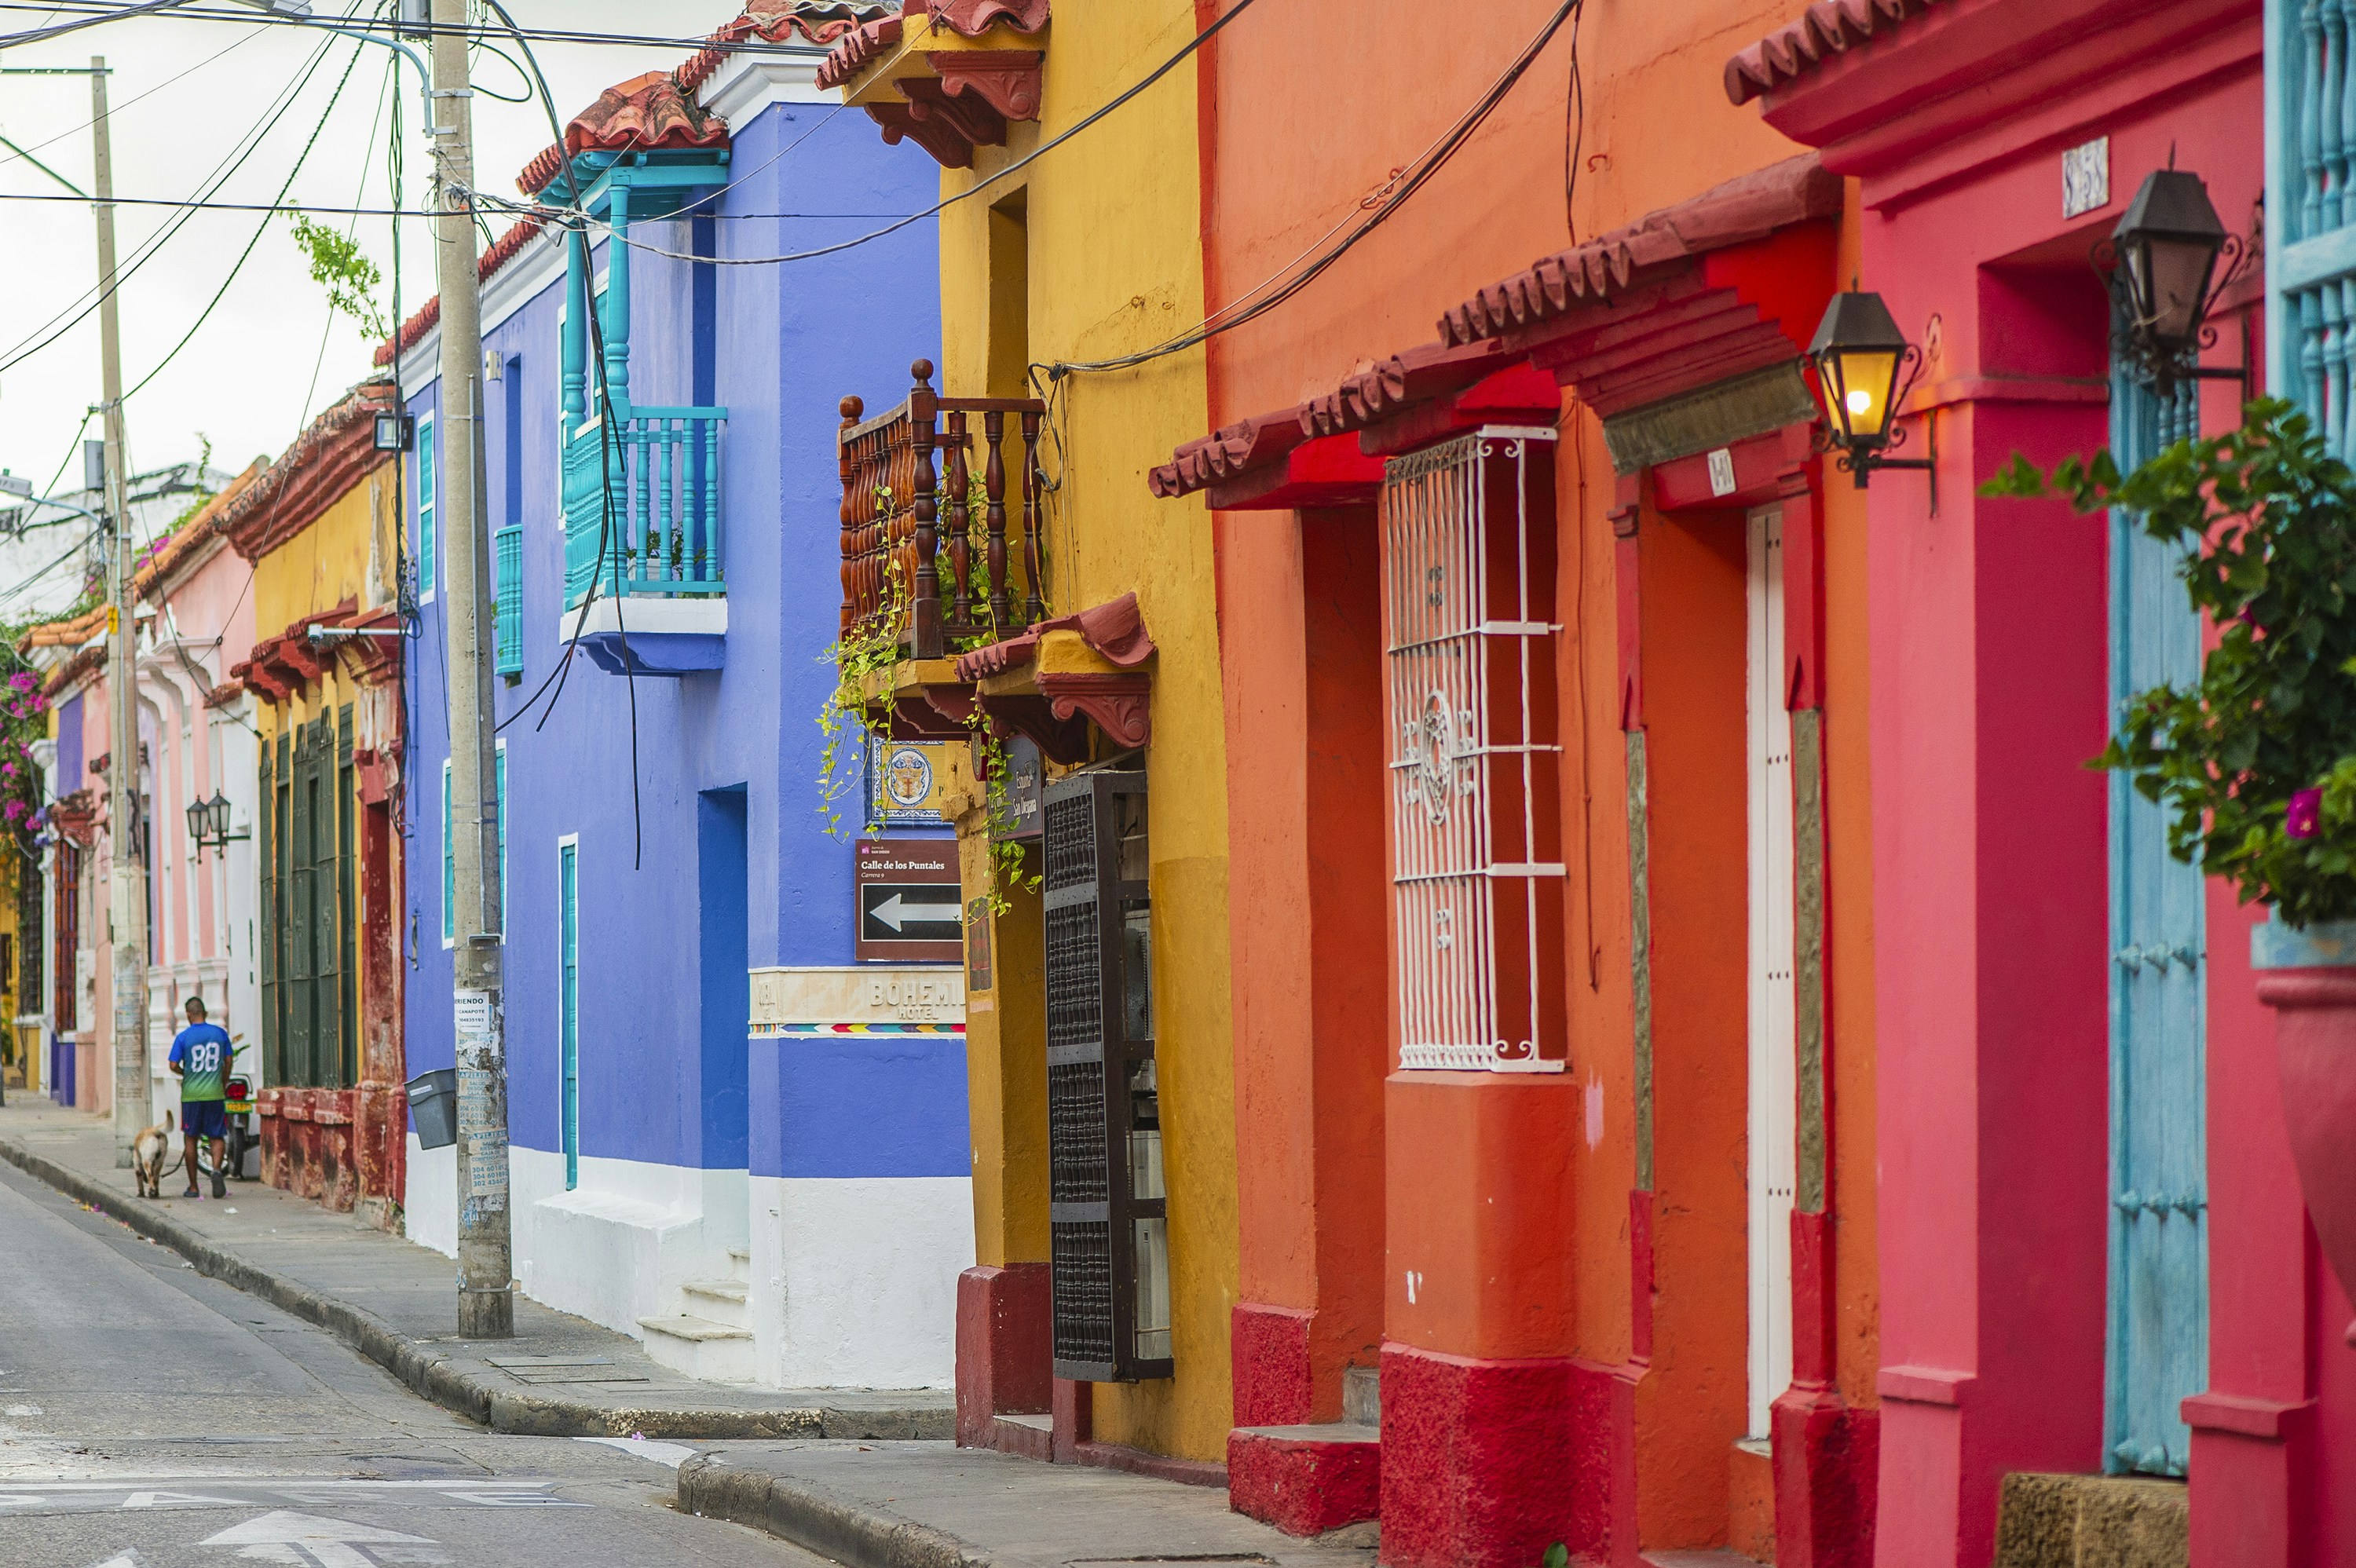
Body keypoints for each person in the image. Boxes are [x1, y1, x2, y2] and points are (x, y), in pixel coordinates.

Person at [166, 995, 232, 1199]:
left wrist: (186, 1074)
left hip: (191, 1096)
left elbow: (173, 1065)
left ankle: (194, 1187)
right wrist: (223, 1080)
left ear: (188, 1014)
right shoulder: (220, 1034)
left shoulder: (183, 1037)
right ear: (204, 1013)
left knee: (191, 1138)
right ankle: (216, 1171)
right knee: (216, 1135)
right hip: (215, 1093)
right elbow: (228, 1060)